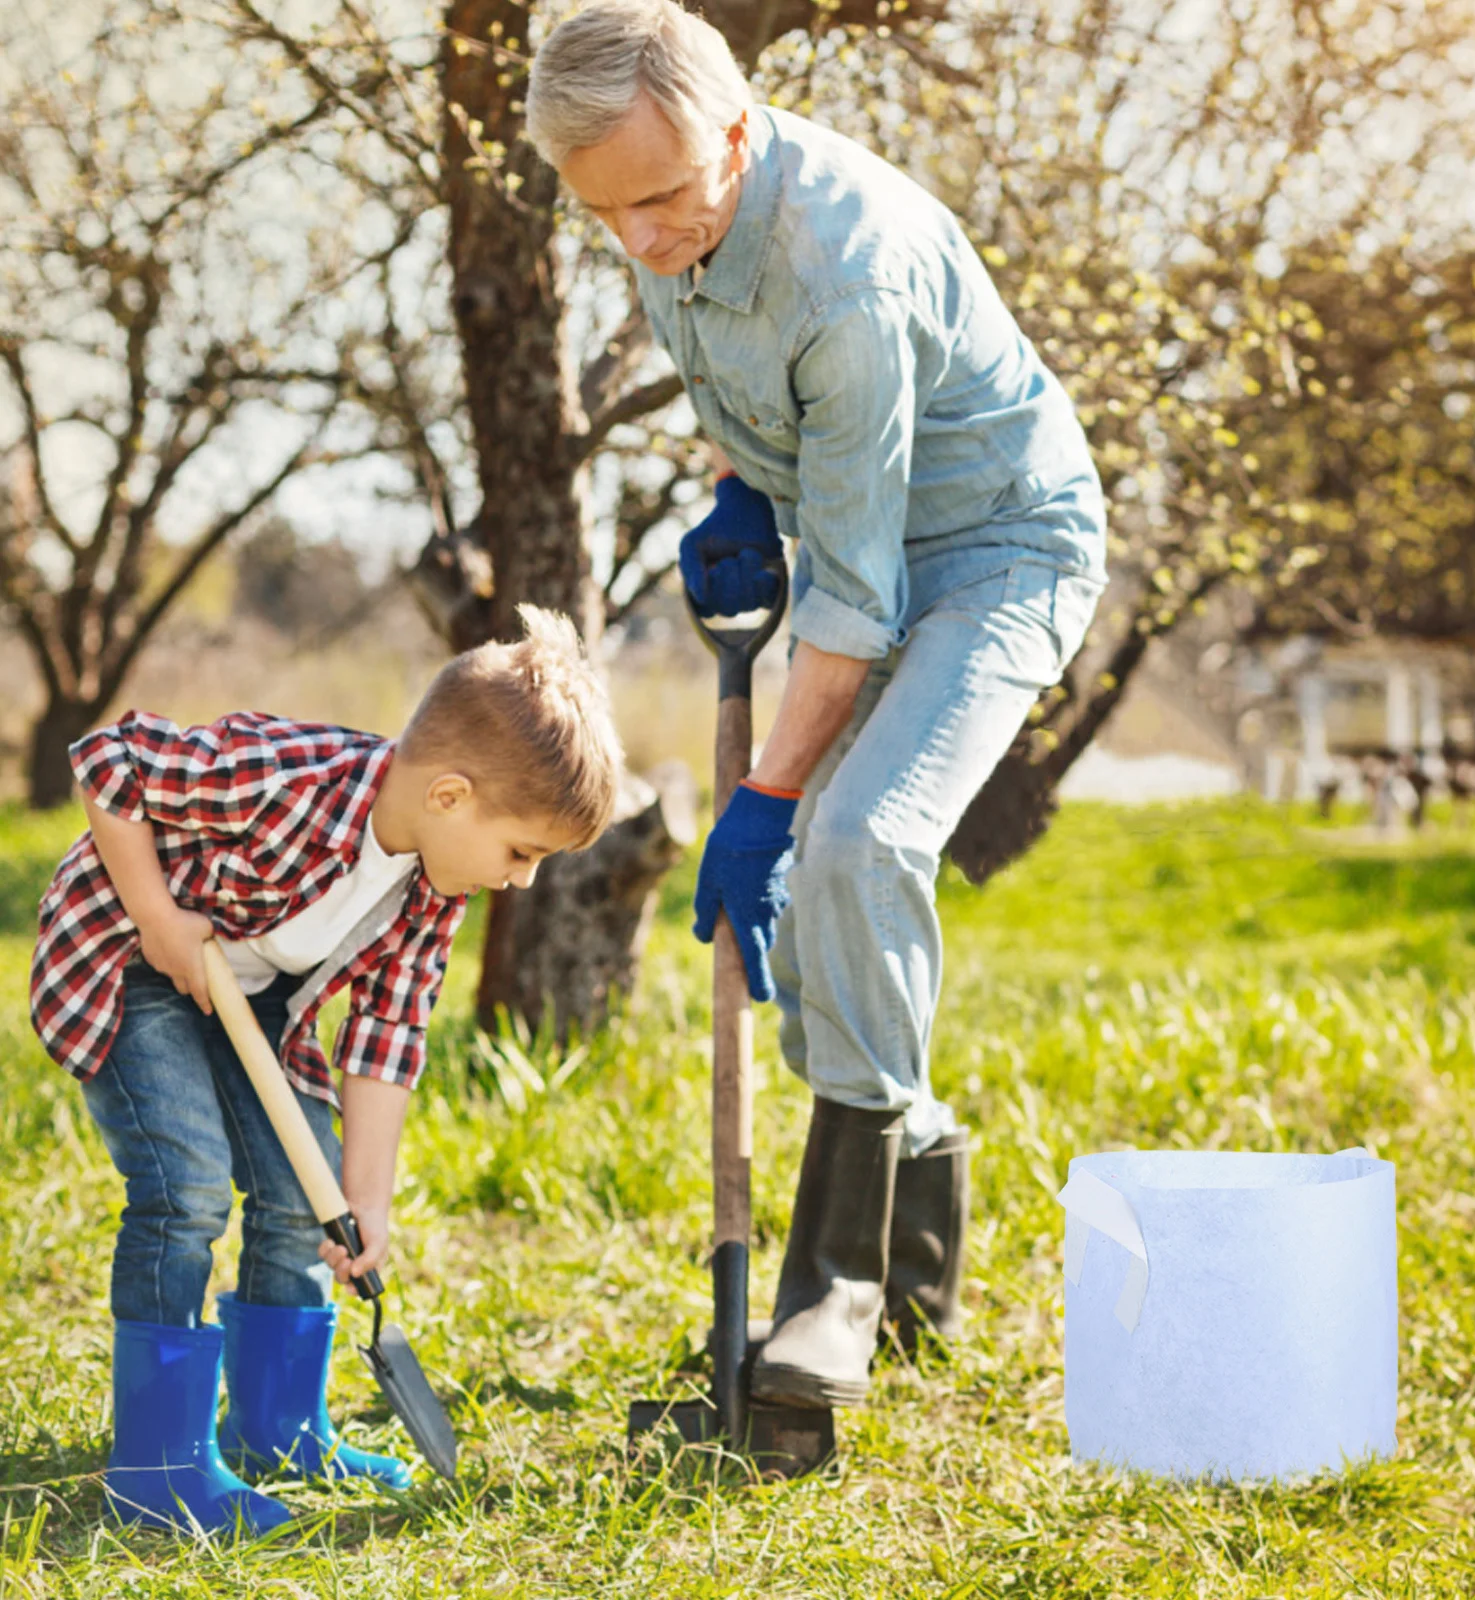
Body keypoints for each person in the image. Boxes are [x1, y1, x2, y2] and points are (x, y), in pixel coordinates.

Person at [528, 1, 1107, 1410]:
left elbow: (847, 605)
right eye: (607, 216)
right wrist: (740, 484)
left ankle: (831, 1292)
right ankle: (905, 1282)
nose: (645, 243)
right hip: (867, 529)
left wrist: (766, 801)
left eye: (663, 200)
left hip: (996, 548)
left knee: (855, 844)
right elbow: (733, 369)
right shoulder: (660, 200)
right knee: (829, 923)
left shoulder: (848, 272)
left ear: (737, 130)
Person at [29, 605, 620, 1534]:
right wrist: (155, 914)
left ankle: (278, 1428)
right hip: (135, 959)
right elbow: (111, 763)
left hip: (252, 996)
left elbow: (387, 1038)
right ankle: (156, 1467)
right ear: (451, 796)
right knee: (187, 1187)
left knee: (303, 1195)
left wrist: (364, 1202)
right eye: (521, 852)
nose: (522, 880)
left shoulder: (434, 889)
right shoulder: (283, 779)